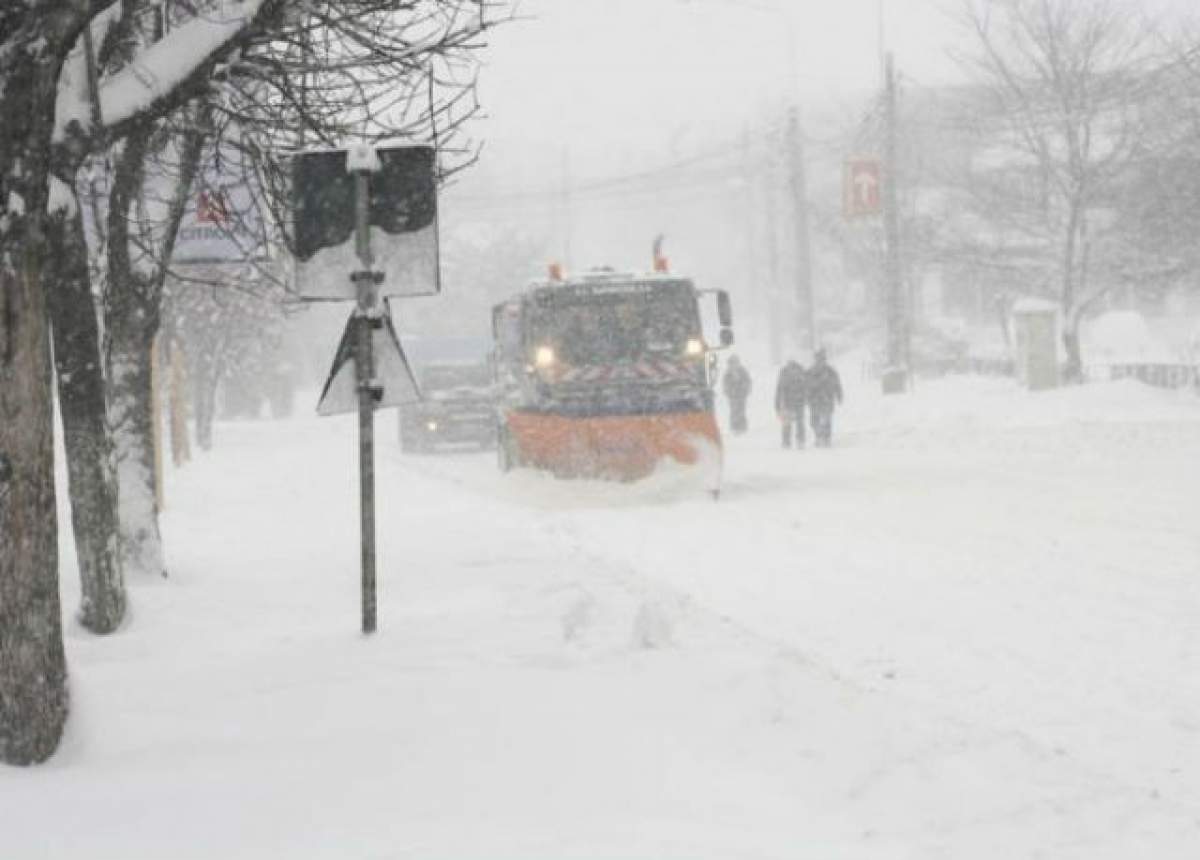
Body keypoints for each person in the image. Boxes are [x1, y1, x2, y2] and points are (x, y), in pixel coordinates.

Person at [807, 348, 843, 447]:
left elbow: (837, 384)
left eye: (822, 359)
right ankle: (818, 436)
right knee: (814, 421)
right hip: (814, 400)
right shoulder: (810, 371)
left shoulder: (830, 371)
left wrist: (839, 395)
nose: (820, 361)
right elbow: (805, 385)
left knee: (827, 419)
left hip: (827, 399)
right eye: (818, 358)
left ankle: (826, 438)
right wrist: (806, 396)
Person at [774, 358, 808, 449]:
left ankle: (786, 442)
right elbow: (807, 387)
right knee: (799, 422)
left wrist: (777, 404)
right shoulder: (801, 371)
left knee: (787, 423)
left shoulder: (784, 372)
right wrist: (806, 399)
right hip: (799, 401)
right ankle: (800, 440)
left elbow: (779, 389)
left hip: (787, 402)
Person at [721, 355, 752, 434]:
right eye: (731, 363)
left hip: (741, 395)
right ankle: (734, 427)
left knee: (741, 410)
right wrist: (729, 392)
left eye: (734, 362)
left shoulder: (743, 371)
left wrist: (745, 390)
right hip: (732, 396)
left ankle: (742, 427)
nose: (733, 365)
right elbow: (725, 385)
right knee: (734, 411)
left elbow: (748, 381)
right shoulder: (727, 373)